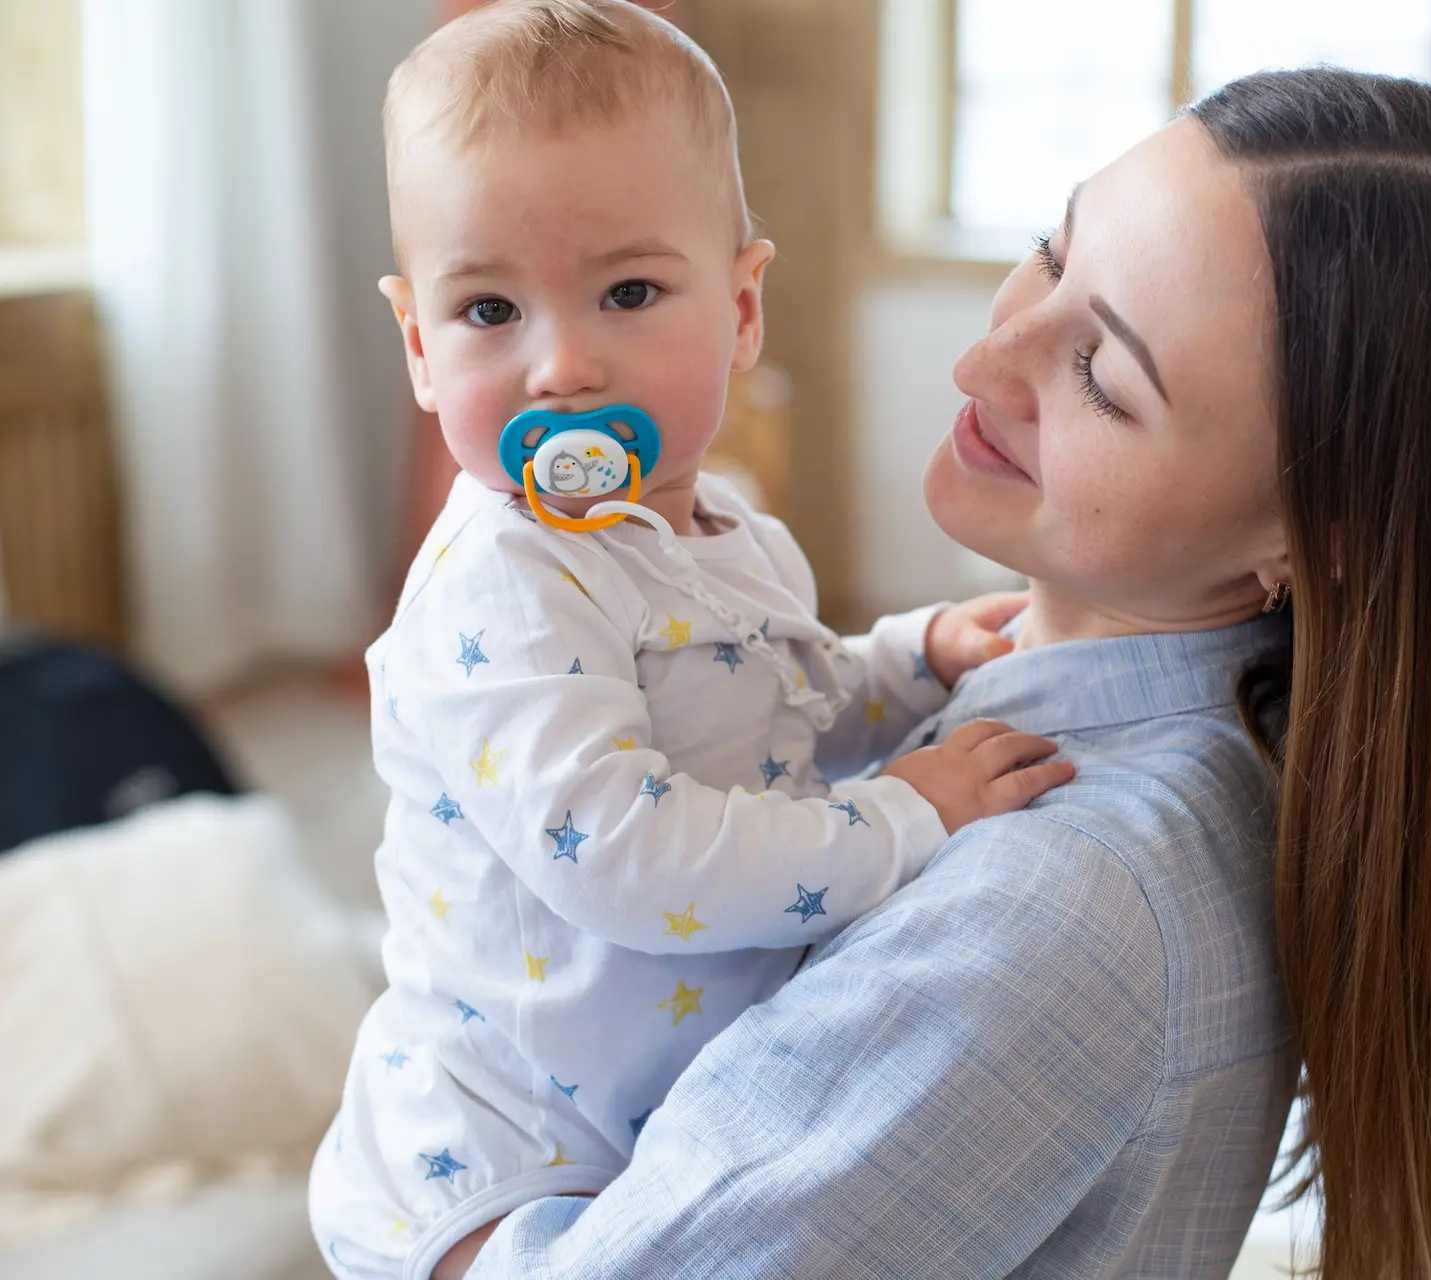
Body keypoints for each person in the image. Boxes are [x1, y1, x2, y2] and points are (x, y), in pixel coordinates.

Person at [452, 65, 1431, 1280]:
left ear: (1309, 536)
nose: (987, 358)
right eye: (1050, 255)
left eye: (1104, 379)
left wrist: (432, 1202)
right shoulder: (1163, 734)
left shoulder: (1053, 905)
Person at [308, 3, 1074, 1276]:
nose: (561, 366)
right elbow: (629, 851)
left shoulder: (738, 536)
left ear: (743, 306)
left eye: (627, 292)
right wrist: (903, 814)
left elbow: (780, 706)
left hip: (651, 1114)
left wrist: (907, 657)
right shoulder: (506, 584)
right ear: (418, 348)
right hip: (502, 1154)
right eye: (489, 308)